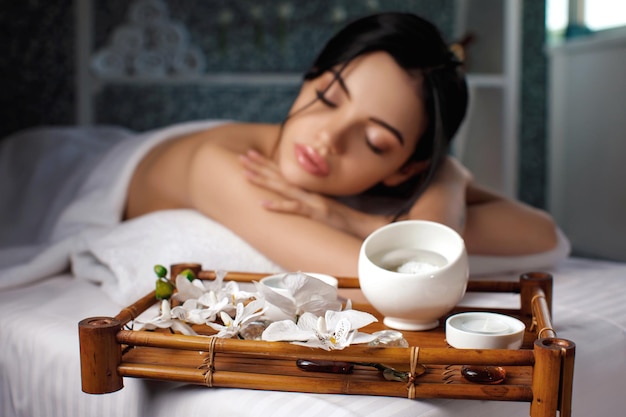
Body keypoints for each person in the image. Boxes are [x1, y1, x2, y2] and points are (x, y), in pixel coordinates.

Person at [124, 12, 559, 277]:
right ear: (308, 78)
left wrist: (443, 177)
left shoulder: (408, 172)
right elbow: (391, 285)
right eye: (326, 98)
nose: (327, 137)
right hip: (107, 165)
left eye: (374, 141)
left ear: (406, 168)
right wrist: (447, 183)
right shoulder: (221, 166)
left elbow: (543, 234)